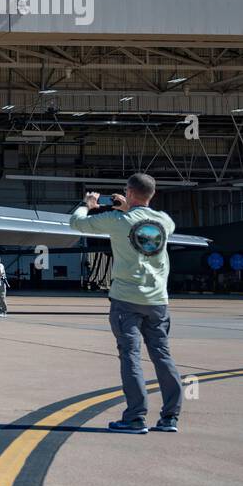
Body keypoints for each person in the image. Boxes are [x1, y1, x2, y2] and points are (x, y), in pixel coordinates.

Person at [69, 174, 183, 434]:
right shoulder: (164, 221)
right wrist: (129, 207)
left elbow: (77, 223)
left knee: (131, 357)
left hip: (127, 301)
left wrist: (88, 203)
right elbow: (147, 220)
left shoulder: (118, 221)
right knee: (162, 356)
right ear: (151, 195)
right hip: (158, 301)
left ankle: (135, 417)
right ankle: (170, 417)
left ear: (130, 193)